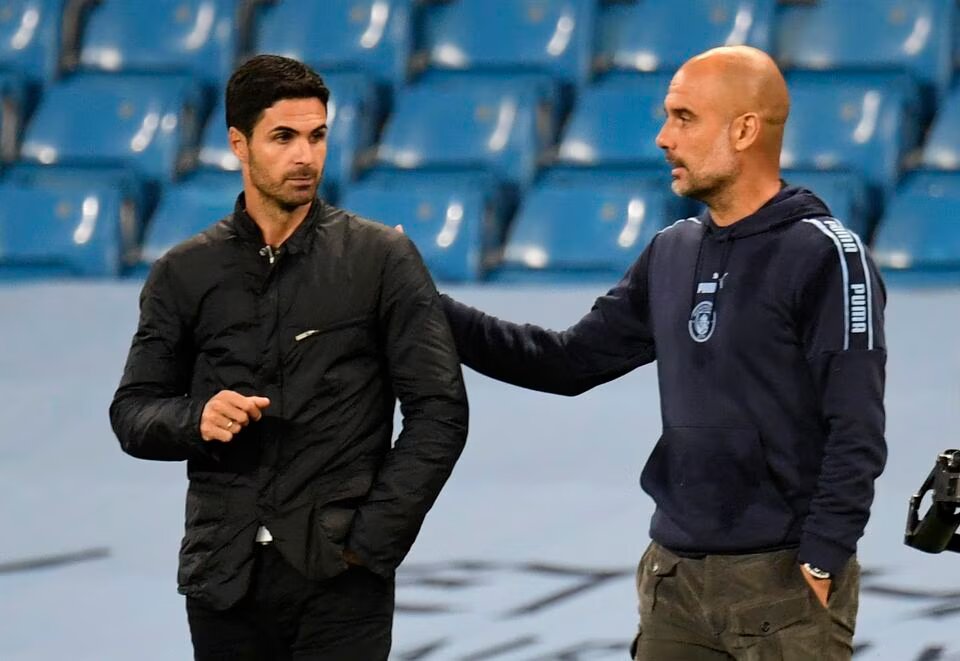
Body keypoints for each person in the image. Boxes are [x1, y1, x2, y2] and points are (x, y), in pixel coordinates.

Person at [437, 46, 886, 660]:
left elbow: (856, 425)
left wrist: (825, 553)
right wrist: (428, 305)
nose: (662, 137)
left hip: (783, 590)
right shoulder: (672, 250)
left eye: (683, 117)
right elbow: (567, 362)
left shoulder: (824, 254)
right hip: (674, 583)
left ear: (745, 129)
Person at [109, 54, 469, 660]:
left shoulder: (382, 258)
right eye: (283, 137)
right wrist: (193, 419)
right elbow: (133, 411)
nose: (305, 155)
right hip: (224, 578)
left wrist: (370, 542)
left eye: (317, 135)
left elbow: (439, 412)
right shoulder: (183, 272)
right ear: (238, 143)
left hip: (341, 582)